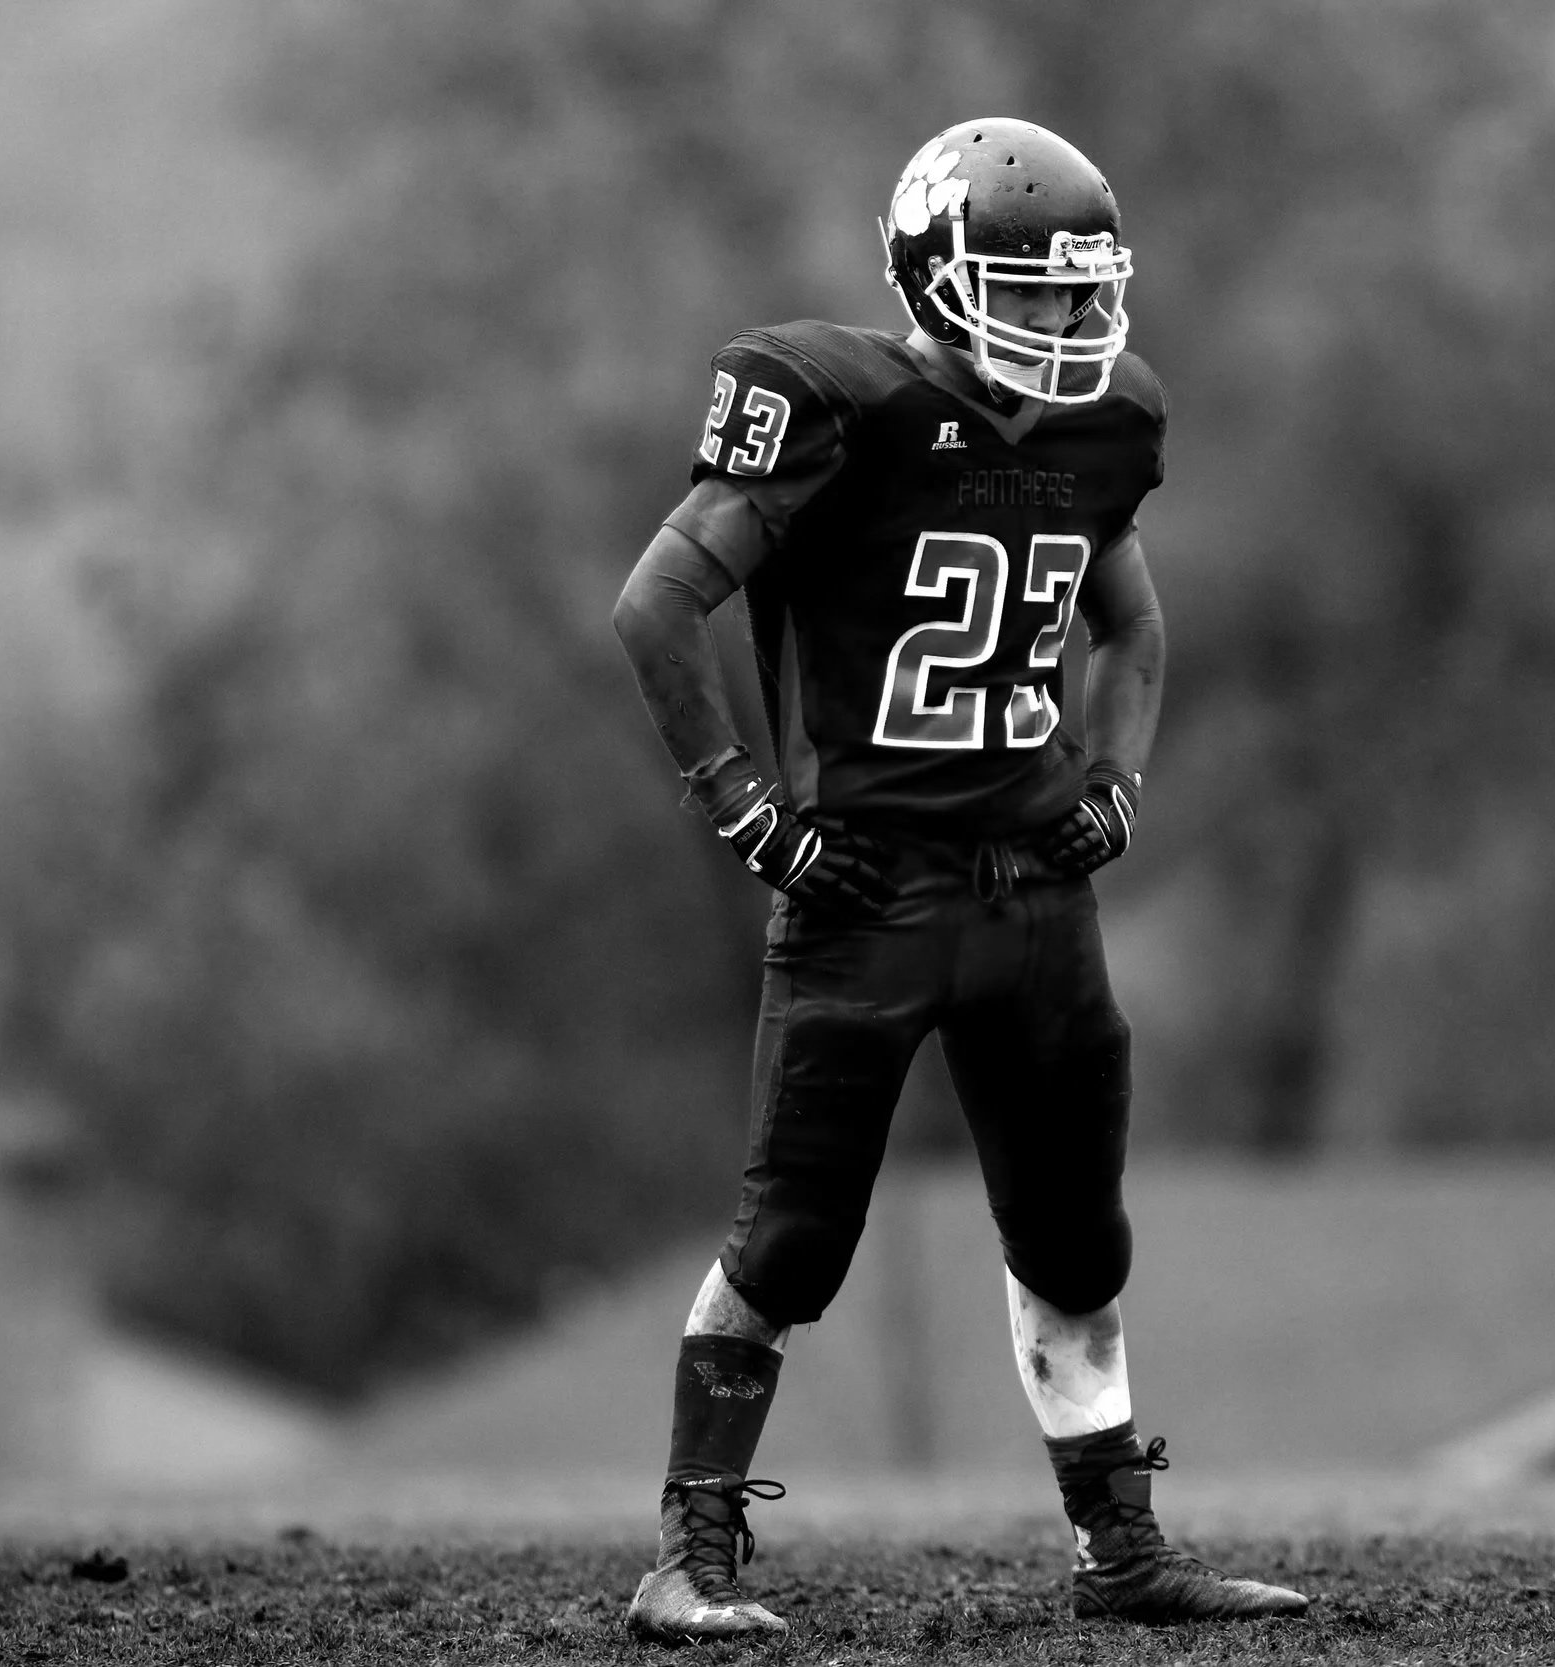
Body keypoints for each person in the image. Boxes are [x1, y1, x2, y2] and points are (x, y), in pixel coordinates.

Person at [610, 117, 1309, 1642]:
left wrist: (1116, 786)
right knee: (790, 1238)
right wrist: (744, 813)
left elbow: (1134, 628)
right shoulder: (837, 407)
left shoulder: (1102, 428)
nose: (1071, 321)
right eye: (1036, 288)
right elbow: (659, 604)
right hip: (866, 890)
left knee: (1077, 1238)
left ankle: (1120, 1554)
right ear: (937, 281)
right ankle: (690, 1557)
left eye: (1084, 290)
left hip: (1033, 896)